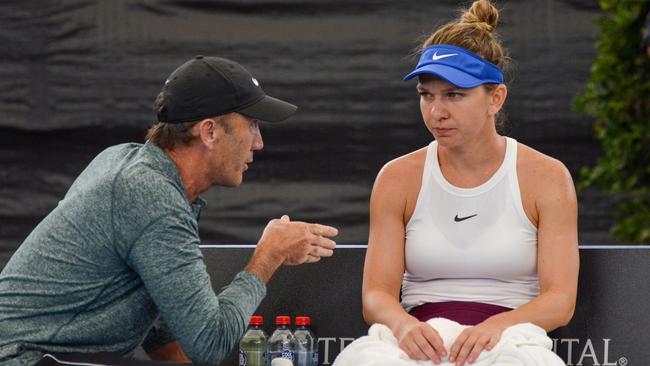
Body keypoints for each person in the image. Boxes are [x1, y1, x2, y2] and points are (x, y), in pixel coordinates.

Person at [0, 55, 338, 366]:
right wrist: (269, 255)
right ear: (209, 131)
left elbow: (159, 324)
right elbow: (209, 342)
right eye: (251, 124)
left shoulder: (127, 163)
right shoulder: (152, 195)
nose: (259, 142)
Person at [361, 1, 579, 366]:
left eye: (454, 95)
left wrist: (498, 325)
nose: (436, 112)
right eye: (426, 95)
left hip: (510, 341)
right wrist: (404, 325)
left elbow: (560, 300)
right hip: (418, 342)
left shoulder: (548, 177)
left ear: (495, 98)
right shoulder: (396, 178)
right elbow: (376, 294)